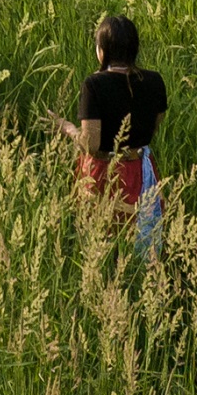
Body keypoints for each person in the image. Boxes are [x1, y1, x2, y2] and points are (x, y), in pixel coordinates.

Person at [57, 15, 167, 255]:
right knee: (139, 244)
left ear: (101, 51)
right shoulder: (155, 82)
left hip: (103, 174)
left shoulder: (93, 85)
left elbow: (92, 144)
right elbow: (153, 128)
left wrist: (67, 128)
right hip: (140, 169)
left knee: (101, 243)